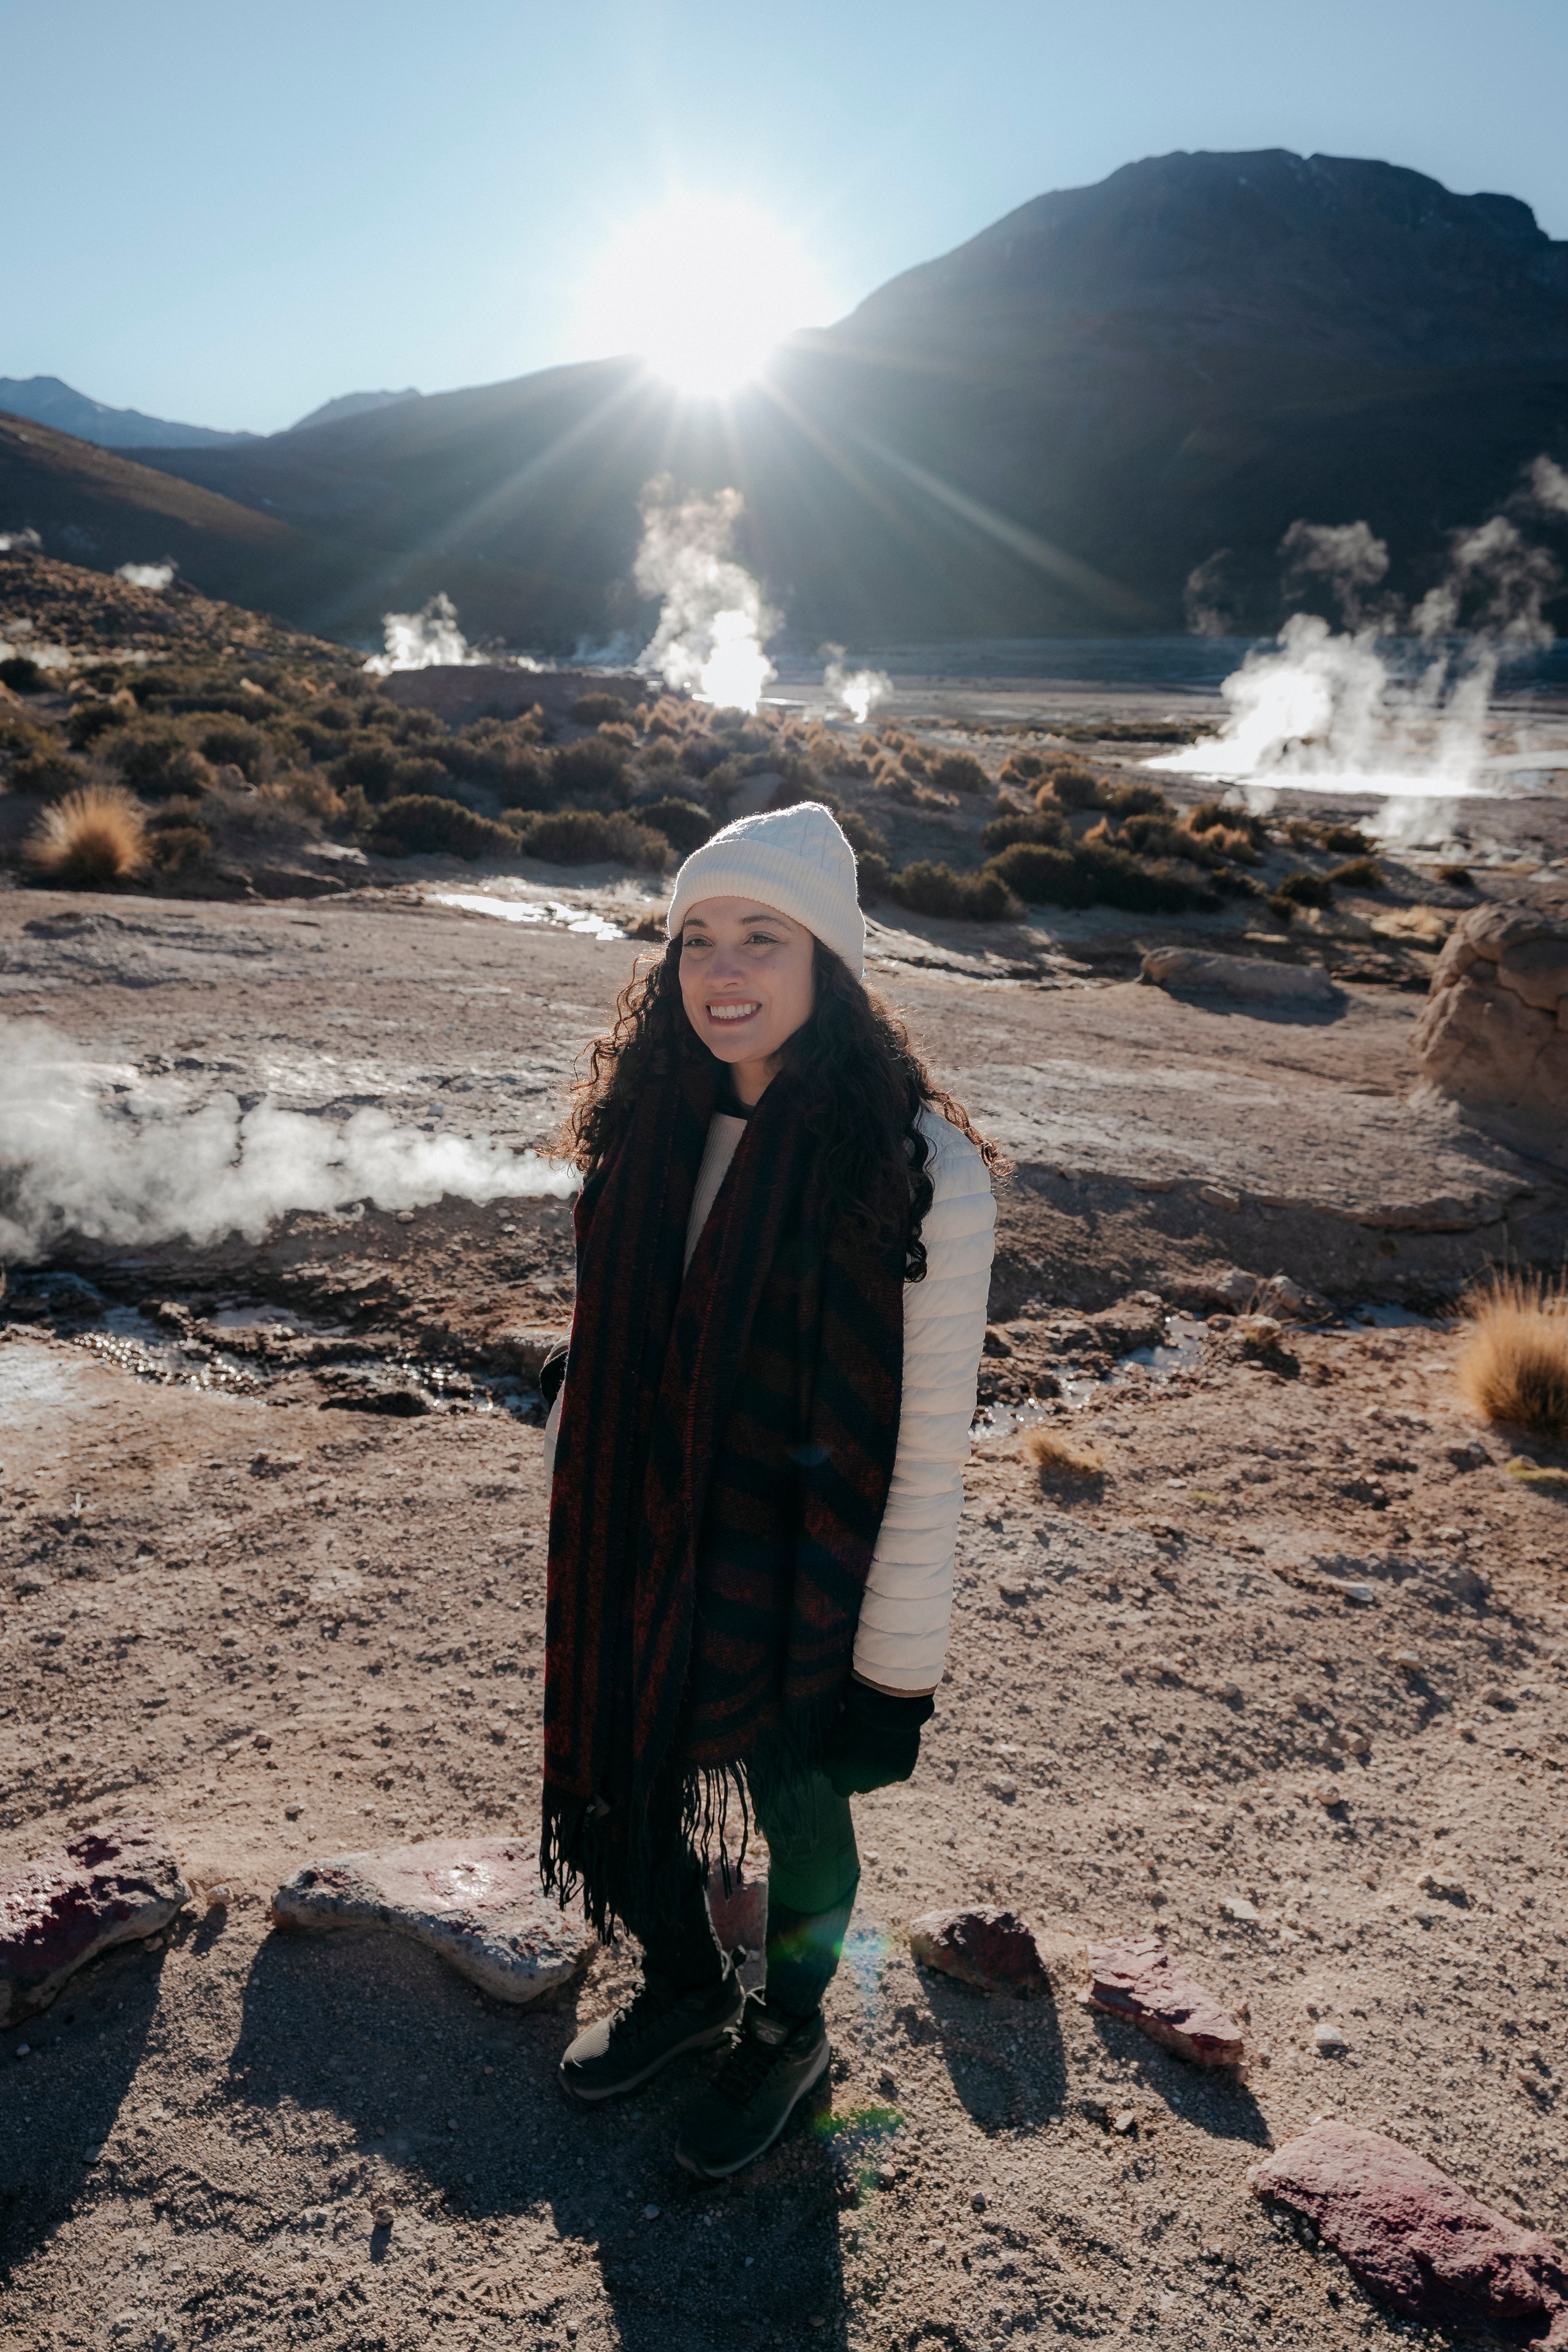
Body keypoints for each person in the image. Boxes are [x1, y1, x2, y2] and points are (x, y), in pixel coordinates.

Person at [540, 799, 998, 2179]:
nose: (720, 970)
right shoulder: (648, 1125)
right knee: (620, 1773)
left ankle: (788, 2032)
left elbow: (922, 1441)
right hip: (633, 1534)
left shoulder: (916, 1168)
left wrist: (891, 1668)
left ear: (830, 965)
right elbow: (608, 1349)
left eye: (761, 937)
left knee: (797, 1808)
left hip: (802, 1572)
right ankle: (683, 1987)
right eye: (694, 939)